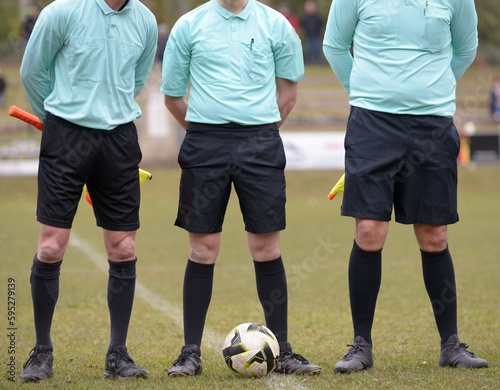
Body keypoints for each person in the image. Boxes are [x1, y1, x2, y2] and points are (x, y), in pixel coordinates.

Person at [323, 0, 489, 373]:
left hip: (432, 125)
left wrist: (432, 90)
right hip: (371, 124)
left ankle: (451, 345)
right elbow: (334, 46)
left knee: (434, 235)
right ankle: (360, 346)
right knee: (369, 230)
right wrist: (365, 92)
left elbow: (465, 49)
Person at [161, 0, 322, 377]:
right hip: (204, 142)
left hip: (260, 141)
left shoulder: (276, 25)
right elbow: (172, 97)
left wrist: (260, 133)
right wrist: (207, 134)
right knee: (202, 249)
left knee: (266, 246)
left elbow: (288, 94)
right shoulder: (189, 25)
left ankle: (282, 350)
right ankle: (190, 353)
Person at [18, 0, 158, 383]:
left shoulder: (145, 20)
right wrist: (56, 122)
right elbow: (32, 71)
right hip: (65, 135)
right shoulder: (61, 12)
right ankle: (41, 352)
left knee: (123, 247)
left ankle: (118, 354)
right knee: (50, 246)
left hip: (119, 140)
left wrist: (110, 110)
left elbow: (137, 79)